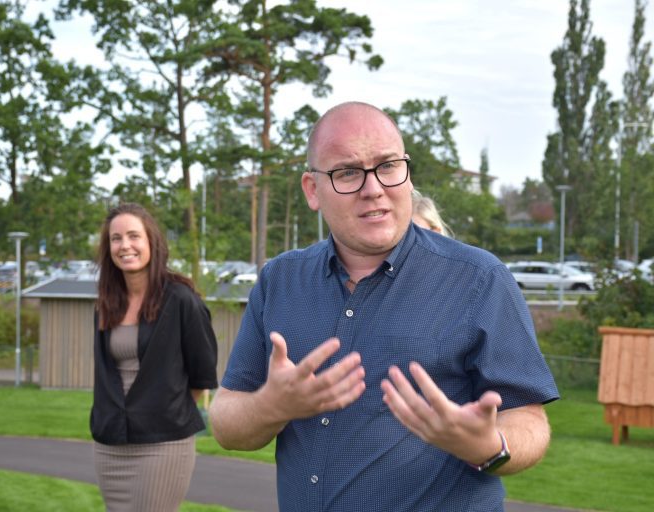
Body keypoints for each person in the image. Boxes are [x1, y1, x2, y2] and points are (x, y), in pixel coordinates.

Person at [209, 102, 559, 512]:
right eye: (348, 172)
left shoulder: (479, 279)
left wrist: (488, 445)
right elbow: (226, 422)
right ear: (312, 190)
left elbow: (529, 421)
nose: (373, 187)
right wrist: (272, 406)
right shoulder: (279, 281)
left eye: (388, 166)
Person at [90, 203, 218, 512]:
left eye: (134, 236)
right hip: (111, 445)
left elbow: (202, 375)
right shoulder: (106, 304)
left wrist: (163, 408)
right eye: (116, 238)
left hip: (163, 444)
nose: (125, 246)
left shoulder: (181, 300)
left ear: (151, 242)